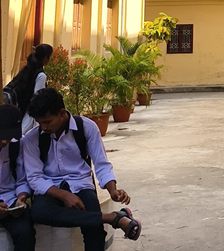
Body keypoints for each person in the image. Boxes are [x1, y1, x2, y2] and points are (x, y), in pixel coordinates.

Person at [22, 88, 141, 249]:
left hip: (81, 184)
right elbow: (34, 177)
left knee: (95, 232)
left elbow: (101, 163)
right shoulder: (31, 139)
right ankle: (112, 218)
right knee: (39, 213)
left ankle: (105, 219)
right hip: (50, 187)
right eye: (39, 123)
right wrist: (65, 195)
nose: (43, 127)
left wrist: (112, 190)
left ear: (62, 113)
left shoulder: (86, 127)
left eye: (47, 122)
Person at [0, 106, 34, 251]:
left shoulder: (16, 145)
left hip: (9, 199)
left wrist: (21, 197)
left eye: (8, 137)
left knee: (25, 233)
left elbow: (21, 179)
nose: (4, 141)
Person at [4, 43, 53, 133]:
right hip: (28, 116)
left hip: (19, 110)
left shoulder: (26, 70)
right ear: (46, 58)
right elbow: (38, 99)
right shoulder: (41, 76)